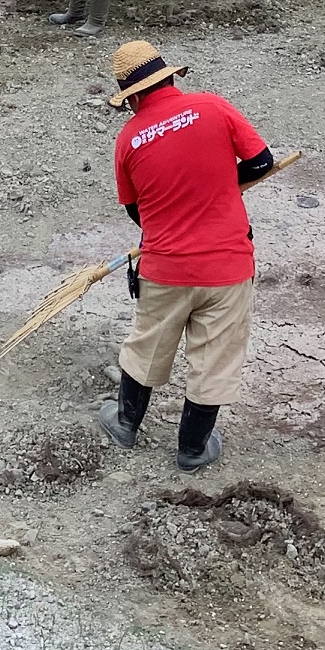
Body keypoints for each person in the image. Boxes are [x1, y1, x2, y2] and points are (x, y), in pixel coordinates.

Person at [99, 39, 276, 471]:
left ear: (134, 96)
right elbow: (261, 162)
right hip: (228, 265)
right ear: (170, 76)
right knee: (215, 356)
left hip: (165, 267)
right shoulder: (214, 107)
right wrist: (218, 184)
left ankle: (125, 425)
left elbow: (136, 211)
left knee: (149, 345)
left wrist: (173, 216)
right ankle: (193, 449)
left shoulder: (128, 140)